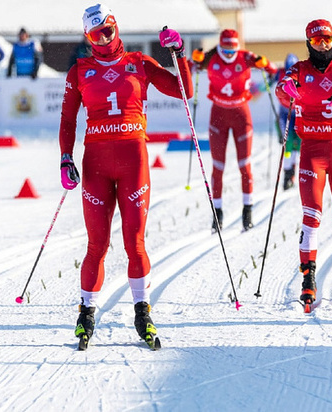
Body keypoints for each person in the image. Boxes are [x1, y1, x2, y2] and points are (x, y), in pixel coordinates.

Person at [59, 3, 193, 349]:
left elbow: (184, 91)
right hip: (95, 166)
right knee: (97, 245)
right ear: (88, 38)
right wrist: (64, 158)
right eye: (95, 35)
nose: (103, 39)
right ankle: (86, 313)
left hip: (134, 160)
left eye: (107, 30)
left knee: (135, 243)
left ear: (115, 27)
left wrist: (179, 53)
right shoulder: (79, 71)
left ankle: (142, 312)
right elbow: (68, 122)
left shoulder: (138, 62)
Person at [275, 19, 332, 308]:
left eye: (327, 40)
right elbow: (282, 89)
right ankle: (308, 280)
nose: (322, 46)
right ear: (308, 44)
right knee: (311, 218)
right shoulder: (300, 69)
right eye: (316, 42)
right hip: (312, 150)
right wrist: (287, 89)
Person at [191, 29, 277, 233]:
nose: (229, 54)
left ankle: (247, 211)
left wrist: (264, 63)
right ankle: (217, 214)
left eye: (232, 50)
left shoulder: (245, 57)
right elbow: (189, 68)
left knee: (244, 165)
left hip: (241, 116)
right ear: (219, 47)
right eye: (225, 50)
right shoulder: (210, 58)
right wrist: (194, 59)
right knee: (218, 166)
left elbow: (273, 71)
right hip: (218, 117)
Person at [275, 53, 301, 190]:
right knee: (287, 143)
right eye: (288, 69)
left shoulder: (302, 74)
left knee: (299, 143)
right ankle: (287, 172)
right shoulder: (279, 74)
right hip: (285, 113)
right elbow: (266, 84)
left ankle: (293, 170)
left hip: (299, 112)